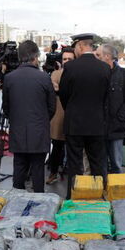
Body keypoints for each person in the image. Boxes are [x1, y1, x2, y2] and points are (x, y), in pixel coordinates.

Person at [59, 33, 111, 196]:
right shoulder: (104, 68)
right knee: (98, 164)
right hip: (96, 123)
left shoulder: (70, 68)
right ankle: (98, 198)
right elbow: (106, 97)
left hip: (74, 123)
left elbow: (63, 94)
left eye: (75, 47)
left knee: (75, 165)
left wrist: (72, 109)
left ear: (80, 46)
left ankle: (73, 198)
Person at [2, 41, 56, 193]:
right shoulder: (44, 78)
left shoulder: (9, 78)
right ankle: (39, 205)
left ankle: (16, 203)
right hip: (39, 132)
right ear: (36, 57)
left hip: (18, 131)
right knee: (38, 170)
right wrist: (42, 121)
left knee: (19, 167)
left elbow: (6, 107)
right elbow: (52, 107)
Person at [97, 44, 125, 174]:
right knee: (100, 164)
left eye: (98, 55)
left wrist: (122, 115)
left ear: (107, 56)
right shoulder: (96, 74)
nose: (96, 58)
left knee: (116, 164)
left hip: (117, 128)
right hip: (99, 128)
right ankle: (103, 190)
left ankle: (116, 192)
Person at [47, 46, 75, 185]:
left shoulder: (78, 73)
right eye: (65, 59)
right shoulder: (55, 74)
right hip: (58, 117)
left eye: (70, 58)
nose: (67, 61)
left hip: (73, 117)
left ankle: (73, 176)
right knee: (57, 148)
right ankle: (53, 173)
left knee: (73, 150)